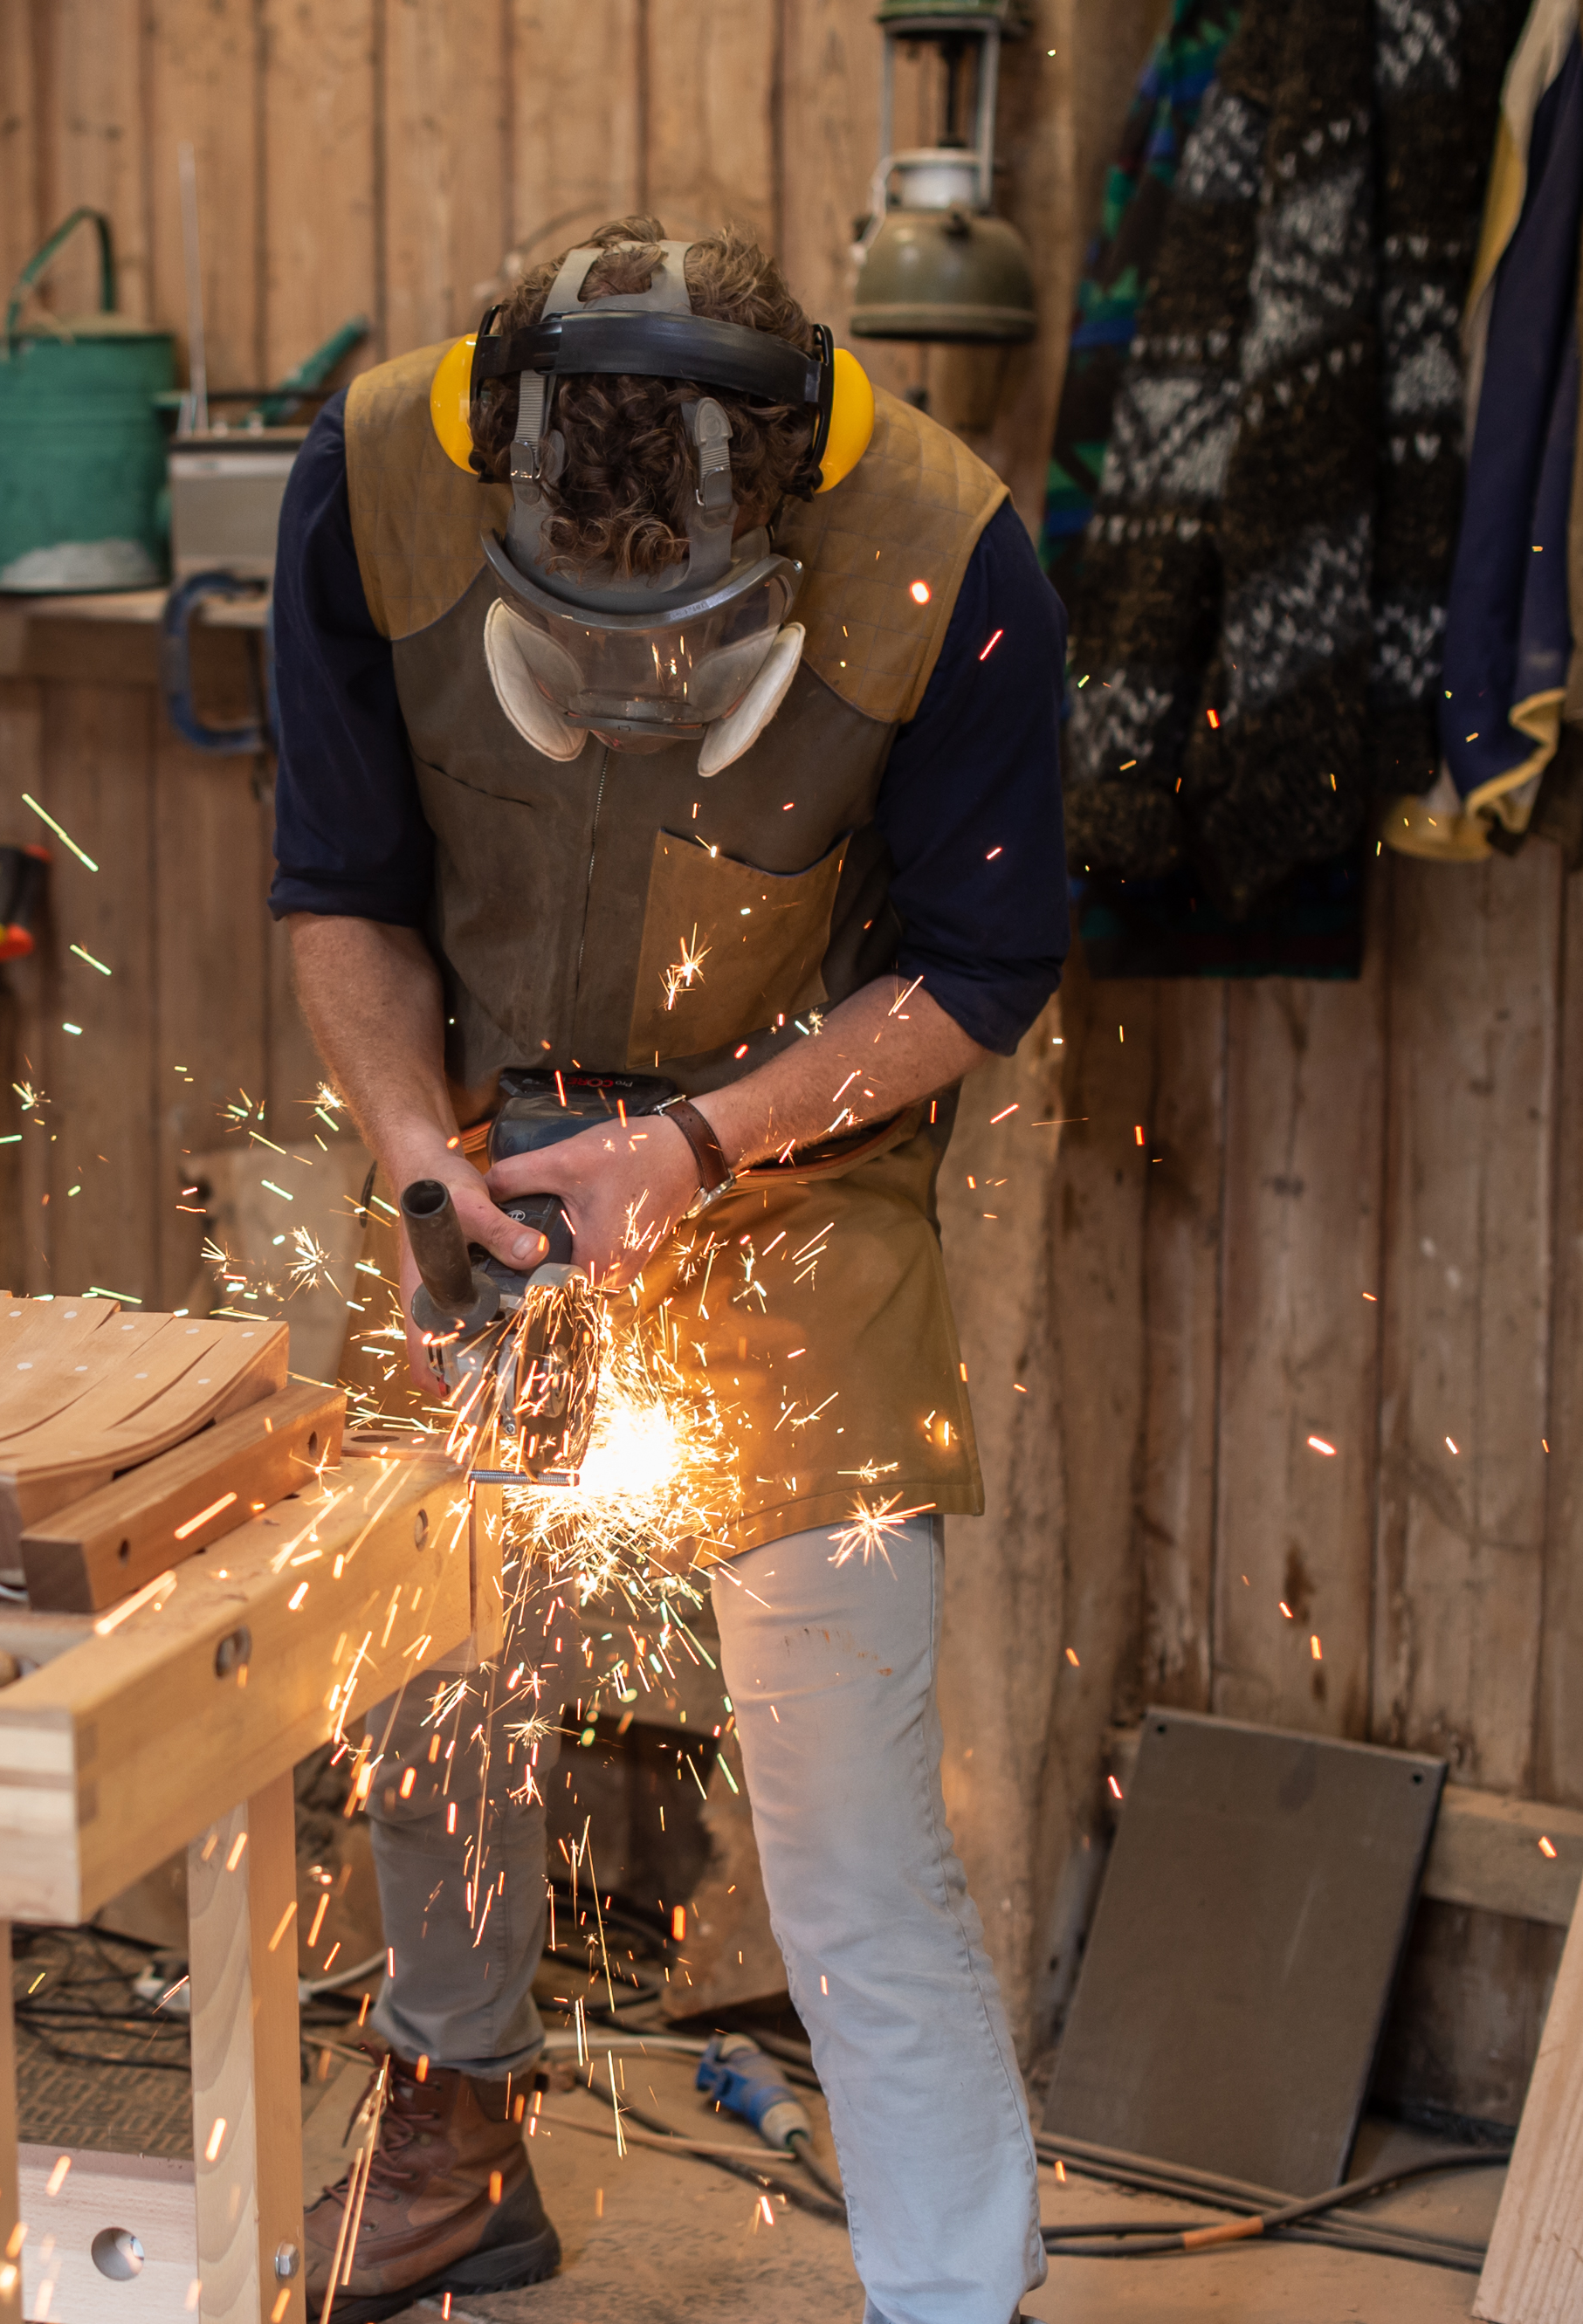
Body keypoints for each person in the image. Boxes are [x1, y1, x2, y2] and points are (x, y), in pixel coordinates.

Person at [268, 218, 1070, 2323]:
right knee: (429, 1677)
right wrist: (419, 1153)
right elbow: (339, 881)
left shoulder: (946, 546)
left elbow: (984, 968)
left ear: (784, 505)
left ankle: (950, 2299)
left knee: (842, 1821)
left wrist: (695, 1142)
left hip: (794, 1173)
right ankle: (451, 2123)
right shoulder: (363, 478)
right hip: (491, 1156)